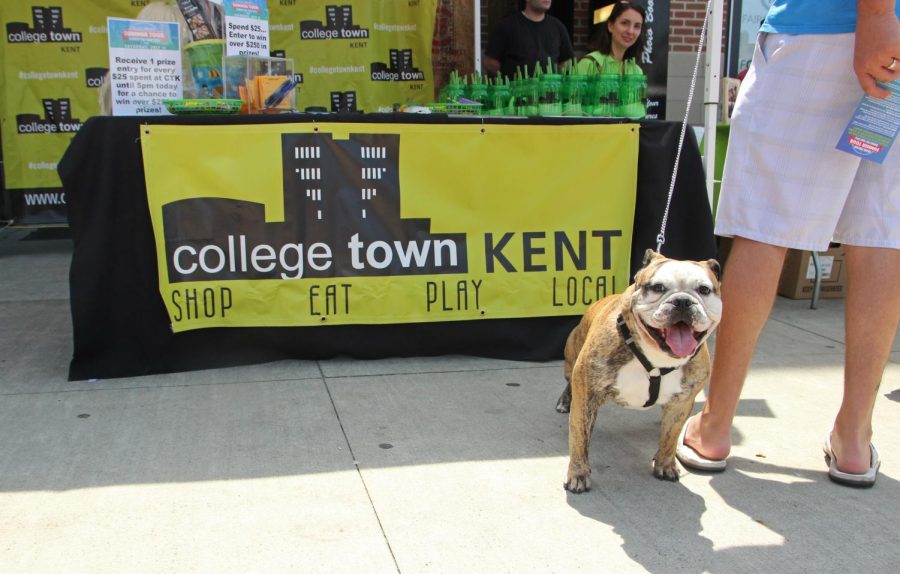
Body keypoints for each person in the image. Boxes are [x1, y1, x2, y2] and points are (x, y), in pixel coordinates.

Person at [676, 0, 900, 487]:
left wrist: (878, 13)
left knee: (763, 229)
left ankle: (715, 426)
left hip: (820, 33)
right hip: (888, 49)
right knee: (881, 235)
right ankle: (854, 439)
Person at [483, 0, 574, 80]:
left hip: (549, 95)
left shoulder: (558, 27)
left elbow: (567, 60)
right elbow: (489, 62)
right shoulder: (506, 26)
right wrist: (507, 80)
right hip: (515, 95)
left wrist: (554, 79)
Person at [575, 1, 646, 76]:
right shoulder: (590, 63)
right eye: (624, 23)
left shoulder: (636, 71)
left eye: (637, 26)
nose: (630, 31)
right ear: (610, 26)